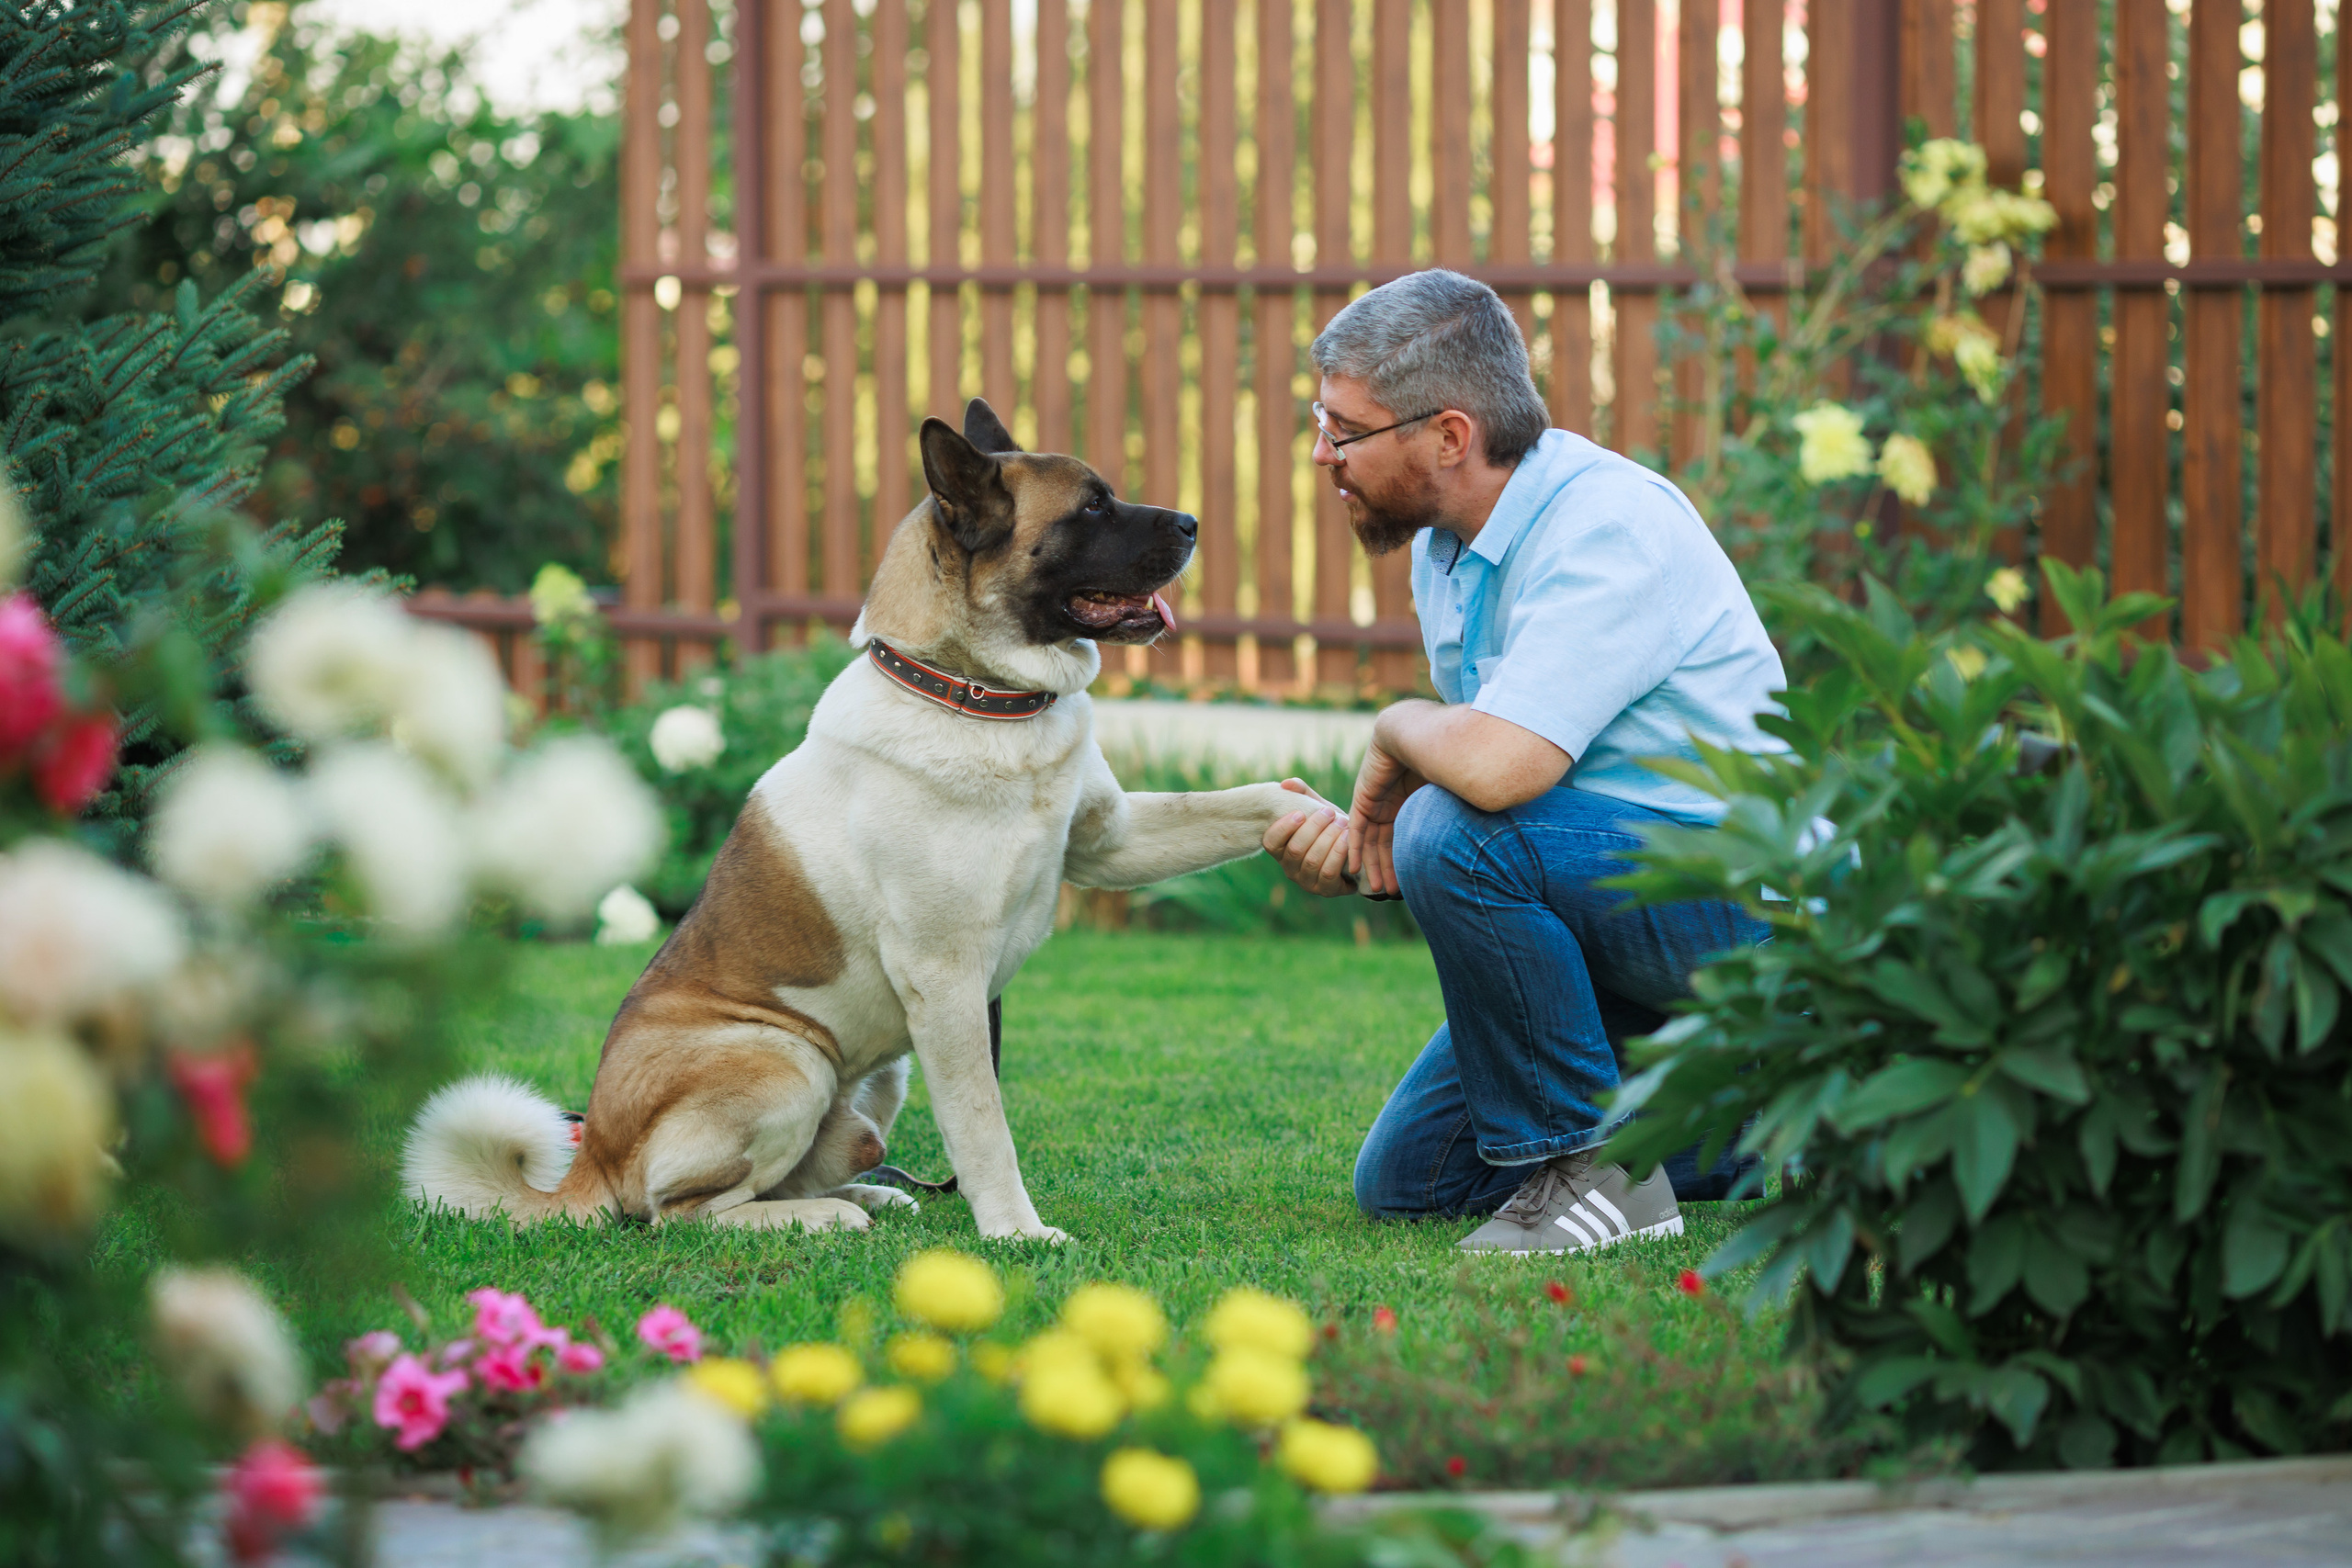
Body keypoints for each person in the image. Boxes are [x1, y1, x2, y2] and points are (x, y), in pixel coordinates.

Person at [1261, 268, 1782, 1256]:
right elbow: (1505, 804)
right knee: (1412, 1182)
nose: (1321, 452)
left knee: (1451, 827)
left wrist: (1396, 730)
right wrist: (1369, 859)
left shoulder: (1606, 526)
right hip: (1632, 915)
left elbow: (1496, 779)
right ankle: (1795, 1121)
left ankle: (1604, 1179)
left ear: (1449, 436)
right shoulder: (1448, 548)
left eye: (1345, 429)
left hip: (1749, 919)